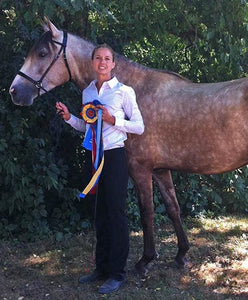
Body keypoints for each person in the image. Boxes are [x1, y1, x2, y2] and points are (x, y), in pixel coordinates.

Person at [56, 44, 144, 294]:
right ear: (93, 62)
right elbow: (87, 128)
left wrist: (112, 119)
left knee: (115, 214)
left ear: (114, 64)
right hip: (93, 157)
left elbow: (139, 126)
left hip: (115, 157)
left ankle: (117, 273)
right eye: (98, 58)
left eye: (107, 59)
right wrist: (69, 118)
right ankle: (102, 269)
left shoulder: (124, 92)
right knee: (100, 214)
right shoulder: (87, 93)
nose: (102, 62)